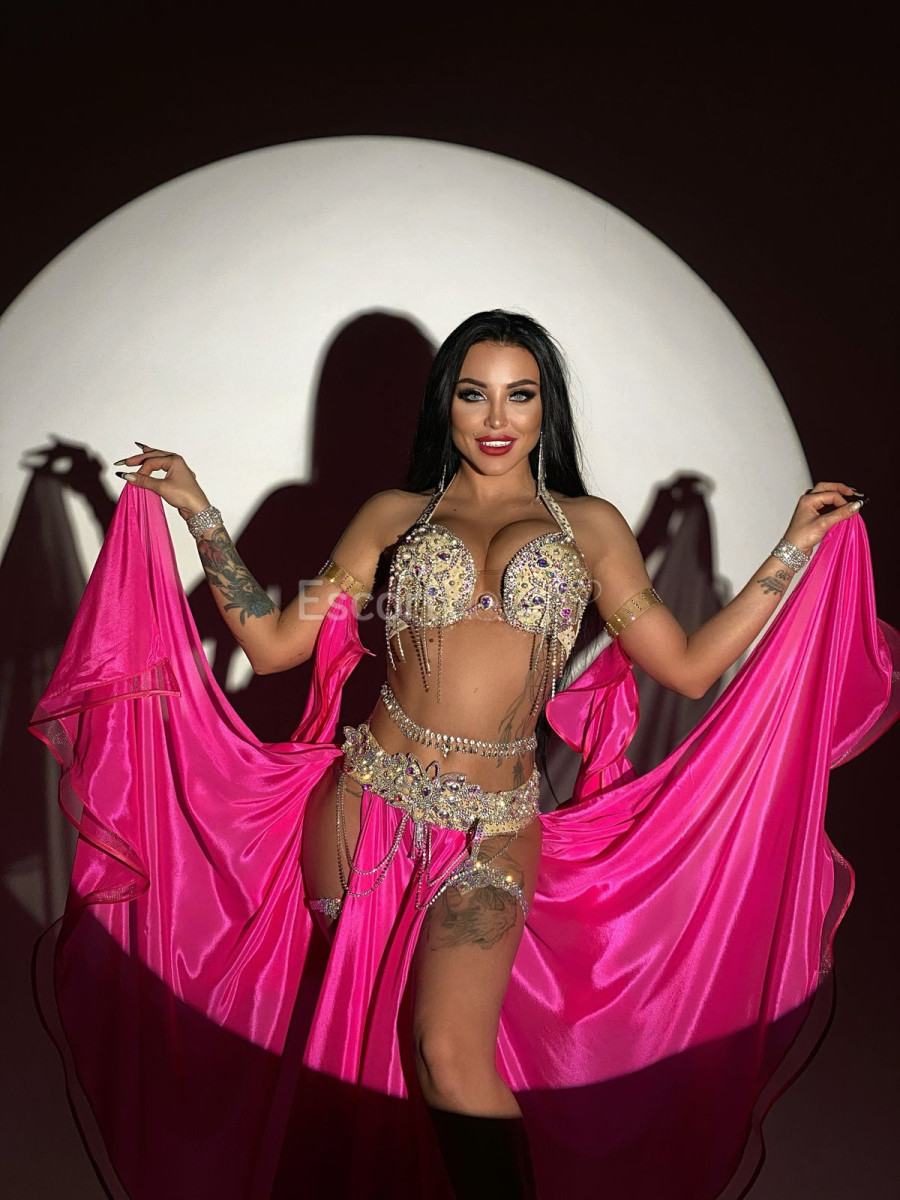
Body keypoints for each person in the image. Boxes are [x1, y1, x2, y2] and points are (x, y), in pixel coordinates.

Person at [32, 311, 896, 1200]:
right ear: (445, 403)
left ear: (546, 408)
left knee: (448, 1056)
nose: (496, 418)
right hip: (360, 811)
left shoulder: (591, 528)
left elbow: (689, 664)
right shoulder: (393, 515)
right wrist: (199, 513)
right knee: (359, 1056)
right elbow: (276, 642)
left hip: (496, 830)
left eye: (520, 395)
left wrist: (793, 547)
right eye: (473, 393)